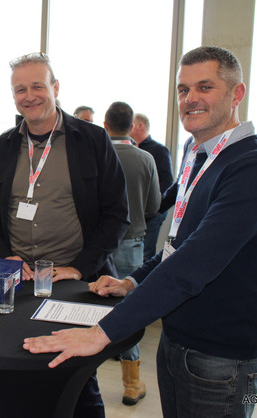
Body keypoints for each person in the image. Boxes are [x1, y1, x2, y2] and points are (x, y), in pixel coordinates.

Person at [24, 46, 257, 418]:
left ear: (237, 94)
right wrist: (131, 282)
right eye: (183, 89)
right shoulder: (198, 153)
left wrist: (102, 333)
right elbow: (176, 246)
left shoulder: (256, 168)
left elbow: (193, 263)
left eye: (205, 87)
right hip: (179, 339)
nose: (190, 98)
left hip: (222, 357)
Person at [0, 52, 129, 418]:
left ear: (55, 88)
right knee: (18, 373)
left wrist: (80, 267)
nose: (29, 96)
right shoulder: (3, 146)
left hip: (73, 285)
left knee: (78, 381)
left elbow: (116, 214)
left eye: (37, 86)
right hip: (19, 284)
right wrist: (5, 257)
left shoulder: (92, 140)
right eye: (20, 89)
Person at [103, 101, 160, 405]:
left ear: (105, 125)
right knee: (128, 311)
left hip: (96, 245)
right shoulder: (145, 158)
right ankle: (131, 384)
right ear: (131, 127)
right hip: (131, 242)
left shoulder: (97, 155)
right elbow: (153, 206)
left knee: (85, 306)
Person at [129, 112, 174, 260]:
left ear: (140, 126)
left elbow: (167, 183)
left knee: (146, 254)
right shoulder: (130, 149)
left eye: (131, 124)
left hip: (152, 213)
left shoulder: (158, 150)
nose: (128, 128)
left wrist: (155, 209)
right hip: (135, 213)